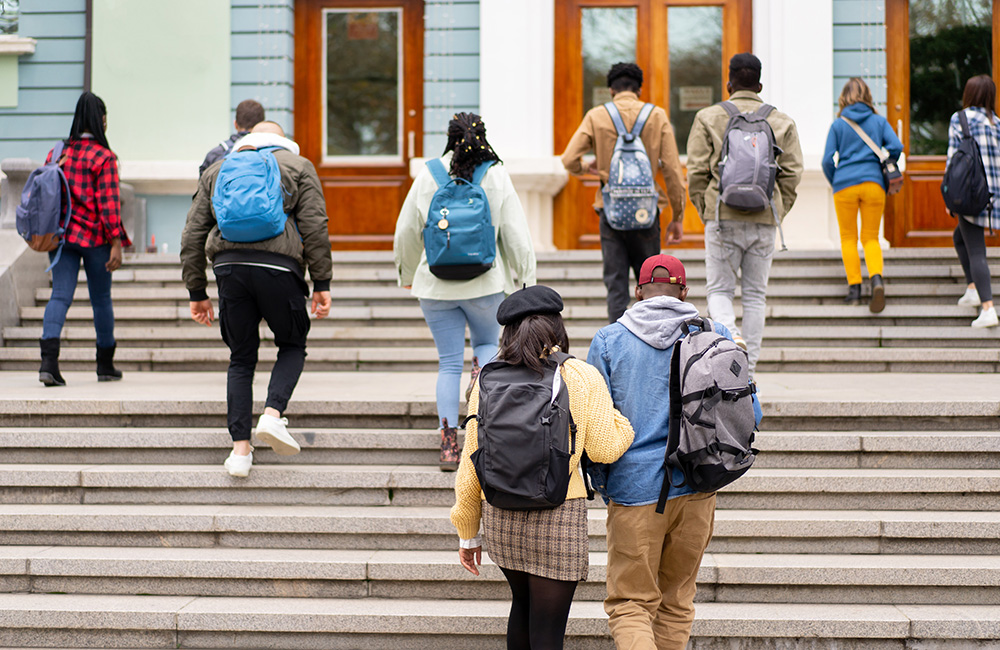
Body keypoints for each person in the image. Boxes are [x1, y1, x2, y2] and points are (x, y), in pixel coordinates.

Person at [586, 254, 760, 650]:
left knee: (631, 604)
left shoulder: (609, 340)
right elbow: (752, 411)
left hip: (635, 490)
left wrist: (603, 483)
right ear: (684, 291)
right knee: (677, 602)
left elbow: (595, 421)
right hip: (699, 484)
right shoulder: (715, 334)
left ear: (638, 291)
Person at [451, 285, 635, 650]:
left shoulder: (485, 378)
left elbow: (470, 461)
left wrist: (467, 532)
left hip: (501, 513)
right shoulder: (579, 375)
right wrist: (623, 423)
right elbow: (605, 448)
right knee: (548, 630)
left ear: (507, 331)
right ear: (557, 326)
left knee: (521, 606)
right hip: (558, 512)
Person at [180, 120, 333, 477]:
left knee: (241, 357)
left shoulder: (219, 169)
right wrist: (322, 281)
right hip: (281, 269)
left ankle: (240, 453)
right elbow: (315, 225)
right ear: (282, 141)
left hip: (229, 267)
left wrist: (196, 292)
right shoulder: (298, 166)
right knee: (292, 345)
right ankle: (273, 415)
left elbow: (192, 233)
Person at [394, 112, 537, 472]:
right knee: (489, 348)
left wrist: (408, 273)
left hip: (436, 284)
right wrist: (526, 280)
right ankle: (483, 429)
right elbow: (516, 233)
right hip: (486, 283)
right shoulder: (495, 173)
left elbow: (407, 230)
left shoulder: (428, 173)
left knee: (448, 363)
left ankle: (448, 445)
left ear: (449, 137)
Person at [687, 52, 803, 377]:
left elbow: (696, 171)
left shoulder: (709, 117)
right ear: (760, 85)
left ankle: (730, 335)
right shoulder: (781, 121)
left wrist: (707, 208)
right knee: (755, 295)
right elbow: (793, 174)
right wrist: (777, 207)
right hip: (765, 218)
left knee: (719, 290)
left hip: (722, 216)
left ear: (729, 83)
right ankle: (748, 370)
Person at [561, 62, 686, 323]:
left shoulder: (596, 116)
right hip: (647, 212)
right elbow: (673, 170)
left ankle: (617, 345)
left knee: (616, 285)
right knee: (654, 283)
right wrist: (678, 215)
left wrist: (588, 167)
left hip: (611, 211)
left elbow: (569, 159)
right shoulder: (657, 115)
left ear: (611, 90)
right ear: (639, 89)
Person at [38, 91, 130, 387]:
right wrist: (116, 242)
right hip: (96, 240)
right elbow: (109, 204)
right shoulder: (104, 157)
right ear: (101, 120)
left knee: (59, 296)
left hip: (61, 237)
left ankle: (48, 364)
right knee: (101, 300)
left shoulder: (58, 152)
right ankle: (105, 365)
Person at [821, 77, 903, 312]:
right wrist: (885, 165)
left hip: (844, 185)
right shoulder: (878, 121)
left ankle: (854, 290)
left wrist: (836, 179)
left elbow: (827, 159)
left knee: (848, 238)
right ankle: (876, 280)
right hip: (873, 184)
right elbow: (896, 146)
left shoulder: (838, 124)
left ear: (844, 97)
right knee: (871, 237)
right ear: (868, 96)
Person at [948, 74, 1000, 328]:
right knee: (960, 238)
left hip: (970, 194)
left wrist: (950, 198)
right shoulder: (997, 124)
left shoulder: (960, 120)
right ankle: (972, 287)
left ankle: (988, 307)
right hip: (993, 196)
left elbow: (952, 162)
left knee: (976, 250)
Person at [198, 99, 265, 177]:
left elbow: (203, 185)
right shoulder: (271, 153)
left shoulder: (216, 154)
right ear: (263, 124)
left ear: (235, 124)